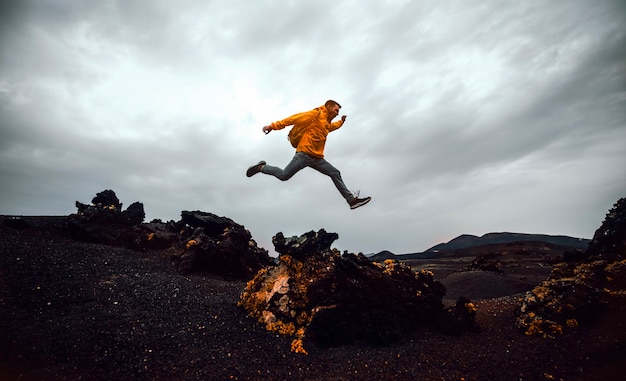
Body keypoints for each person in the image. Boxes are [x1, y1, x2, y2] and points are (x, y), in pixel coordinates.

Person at [246, 100, 371, 209]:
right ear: (328, 106)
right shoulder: (316, 114)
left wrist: (341, 122)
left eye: (338, 111)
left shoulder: (326, 123)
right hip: (304, 154)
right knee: (284, 175)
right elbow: (294, 119)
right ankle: (261, 167)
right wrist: (273, 126)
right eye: (336, 110)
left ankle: (351, 201)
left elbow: (331, 127)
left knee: (335, 172)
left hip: (317, 158)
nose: (337, 112)